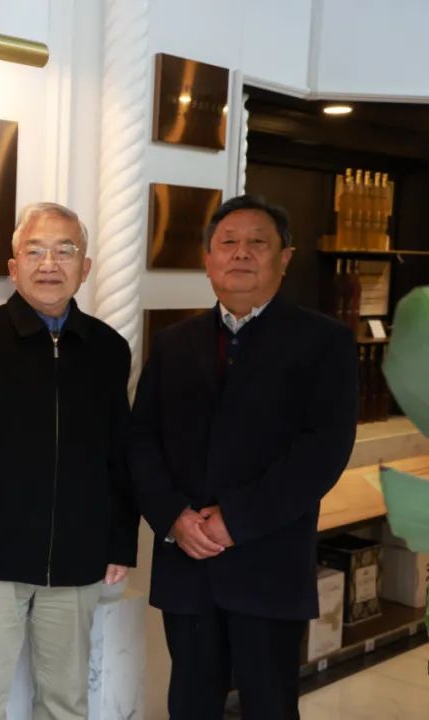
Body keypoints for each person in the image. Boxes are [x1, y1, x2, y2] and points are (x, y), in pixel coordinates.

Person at [130, 195, 358, 719]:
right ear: (208, 259)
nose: (241, 253)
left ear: (285, 258)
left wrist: (236, 520)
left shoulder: (324, 342)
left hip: (268, 562)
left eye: (258, 243)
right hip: (188, 563)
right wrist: (172, 517)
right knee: (190, 704)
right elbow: (141, 440)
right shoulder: (172, 343)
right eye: (228, 243)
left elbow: (322, 451)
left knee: (270, 705)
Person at [0, 202, 139, 720]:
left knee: (66, 701)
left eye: (65, 251)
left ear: (85, 267)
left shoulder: (108, 349)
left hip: (79, 557)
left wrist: (120, 541)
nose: (49, 264)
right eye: (35, 251)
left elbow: (121, 455)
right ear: (13, 266)